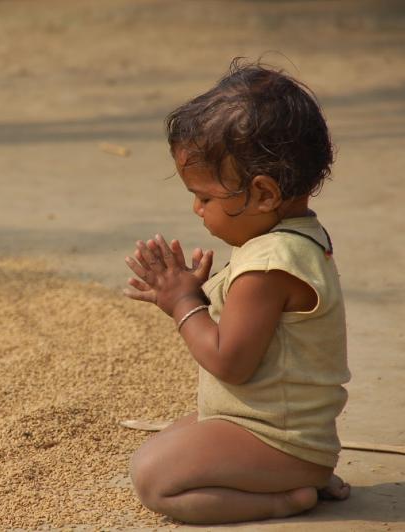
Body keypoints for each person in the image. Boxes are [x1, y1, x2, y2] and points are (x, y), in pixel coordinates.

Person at [123, 59, 352, 525]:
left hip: (279, 438)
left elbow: (231, 361)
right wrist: (202, 297)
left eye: (205, 196)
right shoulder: (295, 239)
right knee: (170, 444)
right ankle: (294, 473)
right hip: (281, 428)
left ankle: (286, 496)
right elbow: (265, 340)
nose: (196, 208)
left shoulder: (268, 267)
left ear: (264, 194)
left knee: (153, 478)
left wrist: (182, 303)